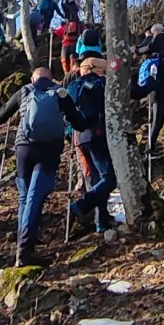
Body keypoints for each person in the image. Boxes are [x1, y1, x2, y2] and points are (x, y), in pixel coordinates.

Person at [0, 67, 85, 265]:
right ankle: (25, 251)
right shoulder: (60, 92)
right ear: (51, 78)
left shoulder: (25, 91)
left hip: (24, 148)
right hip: (49, 149)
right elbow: (79, 123)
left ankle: (24, 247)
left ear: (32, 78)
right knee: (35, 196)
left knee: (25, 197)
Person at [67, 53, 116, 234]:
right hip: (97, 134)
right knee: (109, 178)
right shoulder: (101, 84)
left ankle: (100, 221)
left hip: (79, 137)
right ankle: (81, 205)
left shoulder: (73, 86)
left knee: (95, 180)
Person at [59, 0, 84, 75]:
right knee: (71, 62)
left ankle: (68, 76)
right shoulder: (79, 25)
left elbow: (59, 32)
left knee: (65, 62)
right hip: (74, 45)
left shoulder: (66, 25)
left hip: (67, 45)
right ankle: (71, 75)